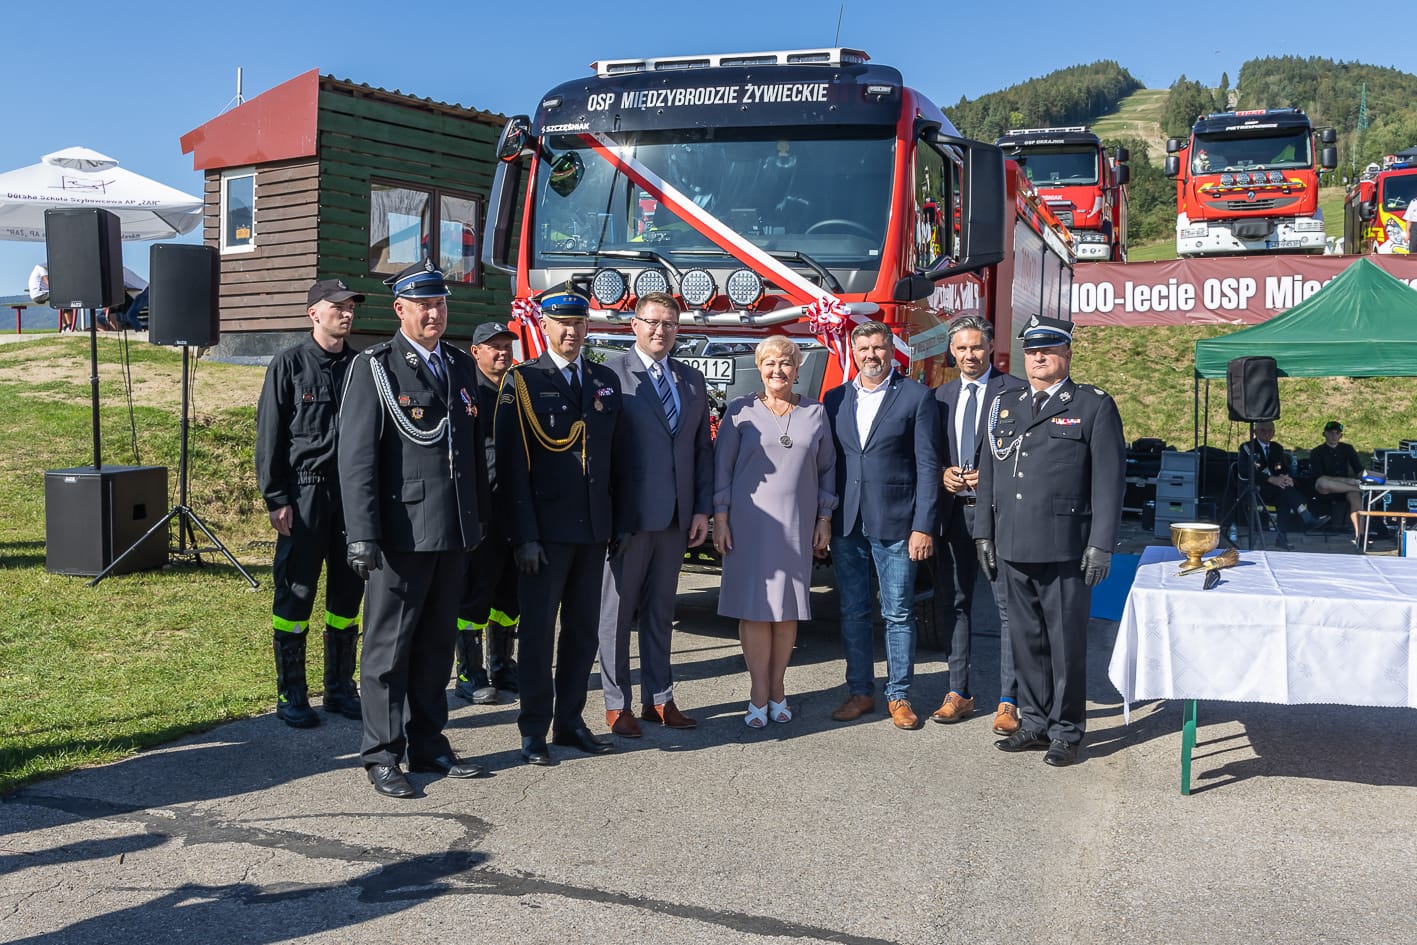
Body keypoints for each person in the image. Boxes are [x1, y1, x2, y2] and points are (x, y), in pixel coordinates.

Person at [338, 259, 487, 798]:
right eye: (423, 305)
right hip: (401, 535)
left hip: (452, 532)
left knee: (436, 647)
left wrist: (476, 522)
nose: (434, 314)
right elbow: (356, 458)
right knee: (388, 651)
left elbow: (470, 452)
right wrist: (362, 533)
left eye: (439, 304)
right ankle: (382, 753)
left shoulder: (459, 365)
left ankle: (429, 743)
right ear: (399, 309)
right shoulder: (376, 367)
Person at [975, 316, 1126, 768]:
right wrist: (984, 531)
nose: (1038, 357)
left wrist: (1101, 544)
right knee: (1026, 642)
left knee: (1065, 646)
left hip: (1065, 547)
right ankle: (1035, 722)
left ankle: (1066, 731)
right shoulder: (1005, 404)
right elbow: (990, 474)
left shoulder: (1092, 405)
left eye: (1048, 350)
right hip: (1012, 543)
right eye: (1031, 350)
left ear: (1067, 354)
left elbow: (1109, 482)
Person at [494, 284, 623, 766]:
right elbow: (511, 467)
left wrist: (618, 524)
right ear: (544, 325)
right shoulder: (523, 380)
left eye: (579, 322)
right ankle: (533, 730)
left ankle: (570, 721)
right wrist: (523, 536)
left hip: (593, 531)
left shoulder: (604, 379)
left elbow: (617, 459)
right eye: (562, 323)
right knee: (537, 635)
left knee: (583, 633)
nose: (571, 331)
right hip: (545, 535)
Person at [597, 292, 713, 737]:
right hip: (628, 518)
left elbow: (701, 449)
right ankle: (617, 704)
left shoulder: (691, 379)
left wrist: (701, 509)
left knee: (661, 612)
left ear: (677, 329)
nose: (659, 330)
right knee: (617, 614)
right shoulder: (611, 376)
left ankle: (659, 699)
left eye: (668, 323)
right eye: (651, 321)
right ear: (634, 325)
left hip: (676, 518)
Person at [255, 279, 366, 729]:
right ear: (313, 314)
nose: (346, 313)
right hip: (305, 494)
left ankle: (340, 687)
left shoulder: (361, 366)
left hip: (352, 495)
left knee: (348, 593)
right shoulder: (290, 364)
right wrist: (276, 497)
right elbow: (270, 435)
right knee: (297, 591)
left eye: (350, 307)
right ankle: (292, 692)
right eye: (337, 307)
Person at [713, 337, 836, 728]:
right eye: (769, 363)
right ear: (759, 367)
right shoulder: (740, 411)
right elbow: (722, 469)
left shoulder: (815, 412)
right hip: (748, 524)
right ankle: (757, 692)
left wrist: (824, 517)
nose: (777, 370)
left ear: (797, 369)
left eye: (785, 363)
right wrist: (720, 517)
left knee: (786, 610)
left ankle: (778, 688)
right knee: (754, 609)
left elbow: (827, 469)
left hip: (796, 525)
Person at [822, 322, 939, 730]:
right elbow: (829, 463)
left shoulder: (916, 397)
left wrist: (923, 525)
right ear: (853, 353)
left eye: (879, 347)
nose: (871, 355)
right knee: (853, 610)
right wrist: (823, 517)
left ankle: (899, 695)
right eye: (864, 348)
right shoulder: (835, 399)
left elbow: (928, 466)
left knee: (898, 612)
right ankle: (860, 692)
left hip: (897, 522)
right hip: (847, 522)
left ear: (892, 350)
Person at [930, 314, 1028, 735]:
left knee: (1008, 607)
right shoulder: (939, 397)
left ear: (990, 347)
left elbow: (1028, 456)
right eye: (961, 348)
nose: (969, 355)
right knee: (955, 603)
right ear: (951, 352)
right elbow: (928, 452)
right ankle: (958, 692)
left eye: (976, 347)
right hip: (954, 514)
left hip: (999, 514)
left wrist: (991, 477)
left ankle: (1010, 700)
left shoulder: (1018, 391)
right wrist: (942, 474)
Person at [451, 321, 523, 706]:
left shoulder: (517, 391)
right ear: (475, 351)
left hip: (514, 508)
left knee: (510, 595)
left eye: (506, 346)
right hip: (482, 508)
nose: (502, 352)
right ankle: (469, 671)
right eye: (493, 346)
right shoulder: (467, 392)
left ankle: (502, 664)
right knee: (475, 593)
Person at [1240, 421, 1329, 540]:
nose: (1266, 433)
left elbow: (1283, 467)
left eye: (1269, 430)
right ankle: (1306, 516)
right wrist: (1270, 479)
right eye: (1263, 430)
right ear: (1255, 432)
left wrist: (1287, 477)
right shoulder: (1247, 447)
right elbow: (1245, 471)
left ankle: (1282, 538)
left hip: (1277, 488)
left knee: (1284, 496)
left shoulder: (1276, 447)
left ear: (1274, 432)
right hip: (1257, 488)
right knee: (1284, 491)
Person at [1309, 420, 1364, 543]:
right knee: (1323, 482)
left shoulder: (1347, 449)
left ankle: (1360, 535)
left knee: (1355, 497)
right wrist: (1347, 481)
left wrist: (1371, 477)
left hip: (1346, 487)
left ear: (1341, 435)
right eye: (1330, 433)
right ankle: (1359, 488)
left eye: (1337, 433)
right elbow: (1318, 477)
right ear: (1324, 434)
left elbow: (1359, 470)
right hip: (1327, 487)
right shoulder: (1317, 452)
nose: (1334, 436)